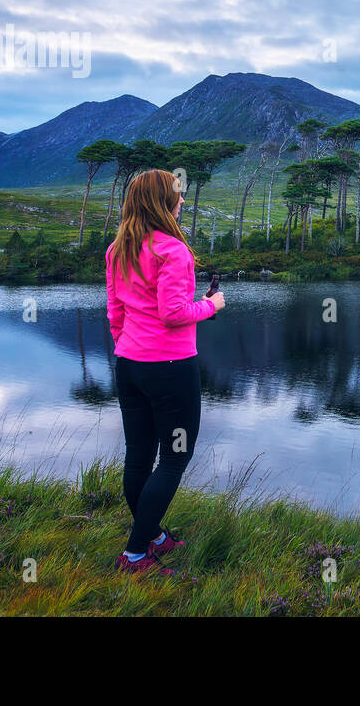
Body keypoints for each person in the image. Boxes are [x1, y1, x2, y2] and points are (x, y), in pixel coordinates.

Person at [104, 168, 225, 573]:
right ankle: (136, 554)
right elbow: (174, 313)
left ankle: (153, 535)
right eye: (178, 195)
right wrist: (211, 307)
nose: (183, 201)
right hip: (170, 369)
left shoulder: (117, 249)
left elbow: (116, 313)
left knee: (138, 457)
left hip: (129, 365)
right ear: (162, 201)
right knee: (174, 459)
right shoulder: (173, 251)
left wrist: (128, 347)